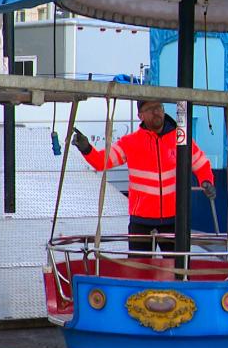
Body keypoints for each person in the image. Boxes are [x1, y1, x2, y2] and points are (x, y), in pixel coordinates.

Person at [72, 99, 216, 252]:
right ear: (140, 115)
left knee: (177, 269)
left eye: (159, 107)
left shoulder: (180, 139)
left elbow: (200, 163)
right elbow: (102, 162)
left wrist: (206, 181)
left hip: (174, 220)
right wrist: (86, 148)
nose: (156, 111)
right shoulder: (130, 142)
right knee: (139, 270)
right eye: (150, 109)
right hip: (141, 222)